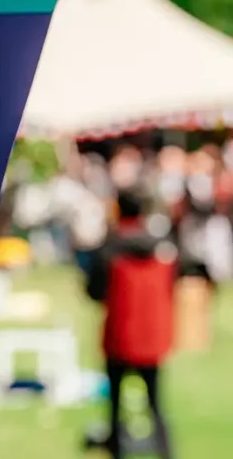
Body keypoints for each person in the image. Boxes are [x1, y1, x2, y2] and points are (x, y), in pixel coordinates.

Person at [85, 187, 176, 459]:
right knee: (155, 402)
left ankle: (117, 449)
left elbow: (94, 290)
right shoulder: (161, 248)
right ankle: (166, 451)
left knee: (115, 405)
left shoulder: (110, 248)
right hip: (152, 337)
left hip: (120, 335)